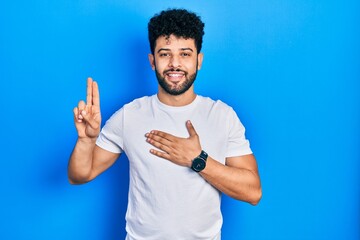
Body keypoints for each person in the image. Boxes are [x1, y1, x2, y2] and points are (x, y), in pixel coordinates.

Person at [68, 8, 262, 240]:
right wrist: (86, 140)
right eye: (164, 54)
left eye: (185, 54)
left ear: (199, 60)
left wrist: (198, 160)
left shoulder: (222, 115)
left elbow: (253, 191)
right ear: (152, 61)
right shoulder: (128, 116)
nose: (175, 64)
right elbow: (79, 175)